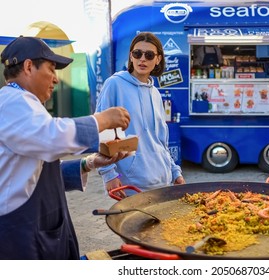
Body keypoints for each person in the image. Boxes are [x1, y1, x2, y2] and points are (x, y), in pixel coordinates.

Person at [0, 36, 131, 259]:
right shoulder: (11, 101)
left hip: (40, 228)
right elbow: (50, 137)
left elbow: (39, 170)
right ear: (29, 66)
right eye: (51, 69)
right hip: (20, 235)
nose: (56, 80)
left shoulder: (27, 105)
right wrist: (102, 120)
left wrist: (89, 163)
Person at [95, 32, 185, 196]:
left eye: (149, 55)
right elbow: (101, 131)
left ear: (158, 59)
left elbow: (160, 141)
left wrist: (174, 171)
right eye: (137, 54)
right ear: (131, 56)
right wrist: (109, 174)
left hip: (163, 181)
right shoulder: (114, 84)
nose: (142, 59)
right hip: (132, 185)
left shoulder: (156, 94)